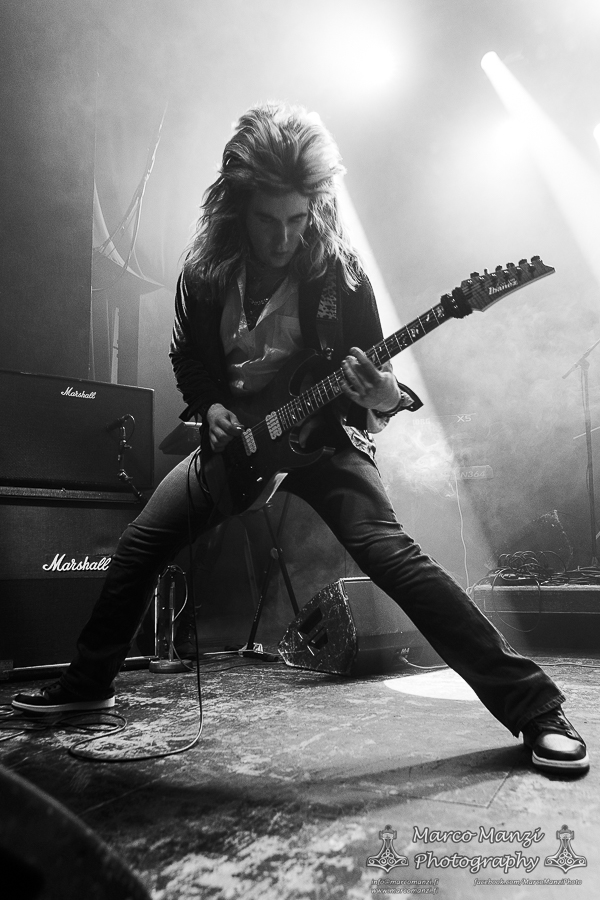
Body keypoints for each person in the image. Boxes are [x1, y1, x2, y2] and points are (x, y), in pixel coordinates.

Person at [13, 102, 588, 774]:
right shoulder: (203, 274)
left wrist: (382, 397)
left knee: (393, 557)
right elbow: (187, 359)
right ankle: (87, 687)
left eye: (297, 218)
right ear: (236, 207)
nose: (283, 237)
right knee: (140, 544)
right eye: (267, 219)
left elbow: (378, 387)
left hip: (325, 442)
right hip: (240, 444)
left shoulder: (342, 276)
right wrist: (211, 405)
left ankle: (536, 708)